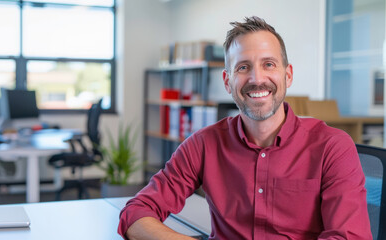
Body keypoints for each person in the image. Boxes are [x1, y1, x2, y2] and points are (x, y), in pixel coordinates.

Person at [118, 16, 372, 239]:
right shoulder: (204, 144)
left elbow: (349, 236)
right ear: (228, 82)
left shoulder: (332, 147)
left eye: (269, 64)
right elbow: (136, 213)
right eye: (243, 67)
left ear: (288, 75)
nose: (257, 79)